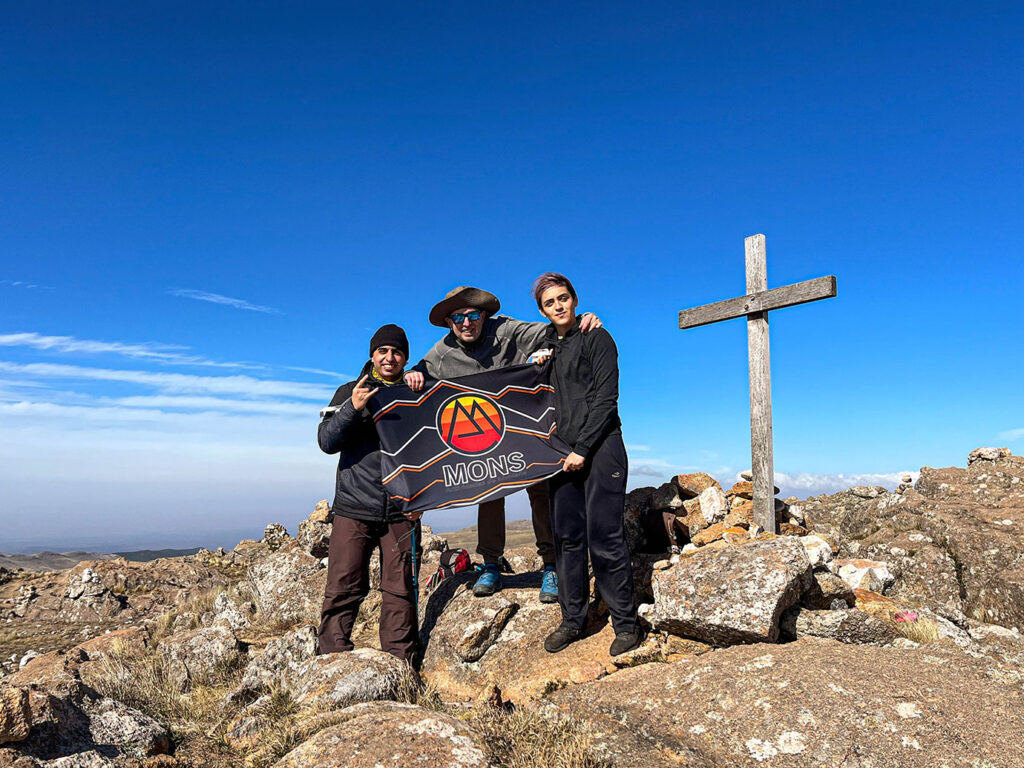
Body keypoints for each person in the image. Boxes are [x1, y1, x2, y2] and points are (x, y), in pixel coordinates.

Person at [405, 286, 600, 600]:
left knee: (541, 487)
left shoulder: (506, 330)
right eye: (458, 317)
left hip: (524, 425)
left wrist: (580, 321)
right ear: (449, 322)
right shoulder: (442, 352)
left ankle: (551, 565)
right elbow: (419, 375)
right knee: (488, 491)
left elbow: (553, 330)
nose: (466, 323)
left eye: (472, 315)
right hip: (482, 433)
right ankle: (491, 564)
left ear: (483, 315)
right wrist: (412, 376)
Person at [530, 272, 641, 657]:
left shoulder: (598, 338)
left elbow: (606, 399)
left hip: (601, 449)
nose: (558, 306)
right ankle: (572, 620)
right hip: (562, 454)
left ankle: (626, 625)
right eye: (550, 303)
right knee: (567, 539)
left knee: (604, 536)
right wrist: (537, 361)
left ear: (575, 300)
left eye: (563, 298)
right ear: (542, 310)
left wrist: (582, 449)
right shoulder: (545, 347)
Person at [317, 324, 422, 664]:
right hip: (354, 507)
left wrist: (423, 498)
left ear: (405, 357)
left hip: (401, 509)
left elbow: (432, 450)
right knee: (343, 585)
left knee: (400, 591)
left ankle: (400, 665)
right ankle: (332, 659)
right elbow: (326, 442)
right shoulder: (350, 390)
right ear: (372, 355)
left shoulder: (415, 391)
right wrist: (353, 407)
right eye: (383, 351)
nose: (389, 358)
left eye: (396, 352)